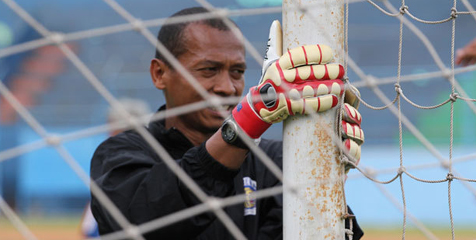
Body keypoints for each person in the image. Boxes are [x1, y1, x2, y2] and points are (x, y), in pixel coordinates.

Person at [90, 7, 364, 240]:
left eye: (237, 72)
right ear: (159, 73)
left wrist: (326, 180)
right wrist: (243, 126)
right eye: (209, 70)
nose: (227, 87)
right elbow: (148, 220)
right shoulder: (119, 155)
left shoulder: (275, 160)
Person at [81, 98, 151, 238]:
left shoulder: (112, 157)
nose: (108, 131)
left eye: (111, 125)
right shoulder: (162, 155)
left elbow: (88, 231)